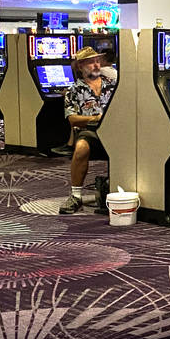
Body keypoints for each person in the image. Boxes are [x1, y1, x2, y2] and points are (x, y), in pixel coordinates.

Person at [59, 46, 117, 214]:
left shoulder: (114, 85)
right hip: (91, 132)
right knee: (82, 147)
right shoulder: (74, 90)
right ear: (80, 67)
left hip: (116, 131)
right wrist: (96, 119)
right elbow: (72, 119)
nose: (96, 65)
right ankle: (76, 196)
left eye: (97, 61)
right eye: (91, 62)